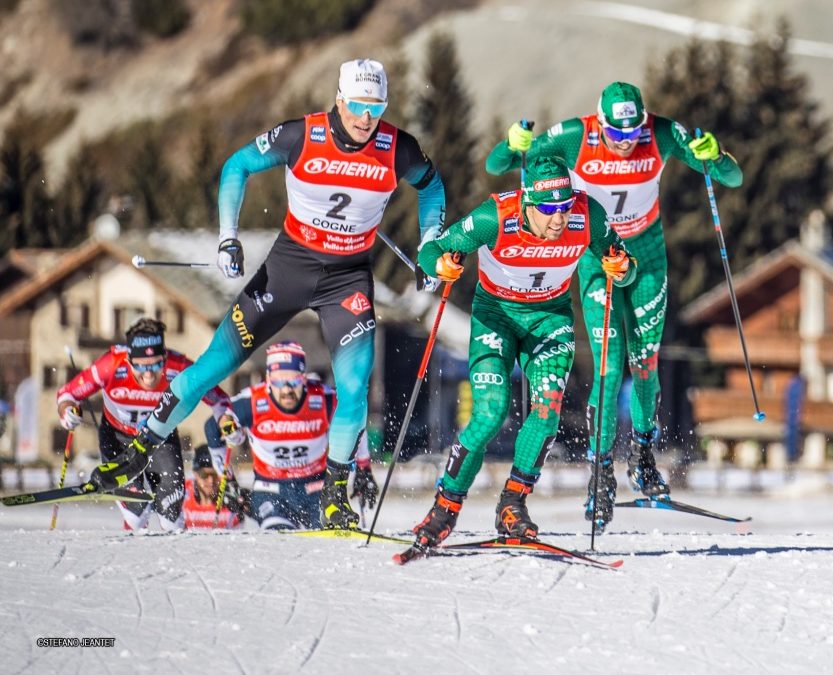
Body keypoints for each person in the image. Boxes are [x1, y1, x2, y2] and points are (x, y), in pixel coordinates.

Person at [89, 59, 444, 531]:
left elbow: (432, 187)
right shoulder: (301, 135)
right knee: (210, 368)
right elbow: (237, 166)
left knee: (355, 388)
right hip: (288, 270)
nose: (366, 118)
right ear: (339, 99)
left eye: (376, 108)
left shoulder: (398, 147)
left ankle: (334, 498)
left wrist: (432, 243)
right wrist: (227, 237)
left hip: (348, 279)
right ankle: (140, 450)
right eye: (357, 106)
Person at [486, 82, 743, 528]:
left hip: (647, 257)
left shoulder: (660, 133)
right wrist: (512, 145)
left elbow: (731, 177)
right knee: (608, 364)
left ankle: (643, 457)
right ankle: (600, 470)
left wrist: (715, 155)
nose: (626, 145)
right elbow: (501, 165)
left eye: (633, 135)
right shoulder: (572, 136)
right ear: (599, 123)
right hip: (597, 259)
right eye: (616, 135)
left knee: (645, 364)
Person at [407, 154, 635, 551]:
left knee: (547, 411)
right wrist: (441, 264)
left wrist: (621, 266)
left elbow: (622, 259)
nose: (559, 219)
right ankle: (445, 508)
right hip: (496, 317)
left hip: (550, 318)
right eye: (548, 210)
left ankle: (513, 504)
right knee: (490, 412)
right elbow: (432, 252)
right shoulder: (496, 217)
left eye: (564, 207)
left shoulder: (588, 215)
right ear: (528, 204)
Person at [57, 318, 231, 531]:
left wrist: (226, 420)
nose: (149, 374)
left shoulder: (179, 367)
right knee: (137, 513)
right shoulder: (111, 364)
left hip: (160, 438)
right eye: (140, 366)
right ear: (129, 361)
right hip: (117, 438)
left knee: (171, 512)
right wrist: (68, 412)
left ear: (165, 358)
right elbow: (68, 394)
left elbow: (220, 400)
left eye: (157, 364)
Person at [204, 341, 378, 530]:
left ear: (304, 378)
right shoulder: (252, 402)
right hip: (271, 491)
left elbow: (353, 422)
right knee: (279, 538)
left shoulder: (323, 398)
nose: (286, 390)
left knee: (331, 534)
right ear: (269, 379)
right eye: (278, 382)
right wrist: (227, 479)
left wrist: (363, 469)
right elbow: (212, 427)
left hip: (316, 489)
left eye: (293, 382)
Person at [182, 444, 248, 530]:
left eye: (215, 475)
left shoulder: (231, 500)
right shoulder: (183, 493)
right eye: (204, 475)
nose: (211, 481)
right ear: (195, 474)